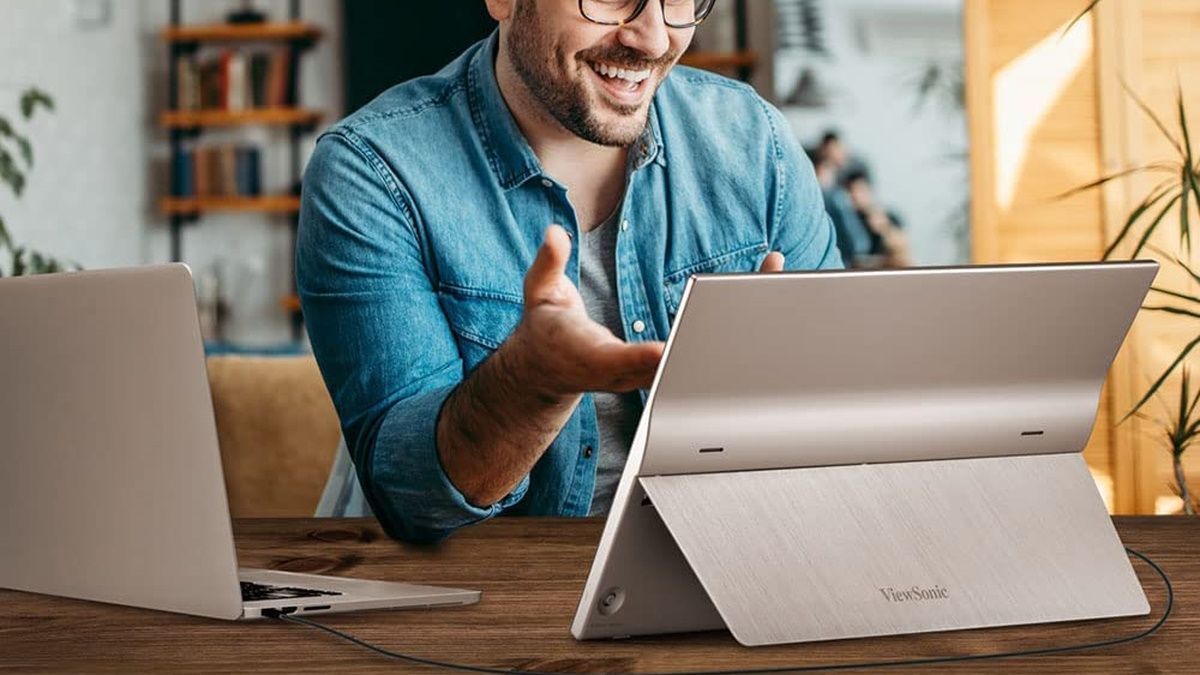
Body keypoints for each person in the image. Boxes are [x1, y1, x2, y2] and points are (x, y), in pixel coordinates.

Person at [297, 0, 842, 544]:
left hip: (720, 561)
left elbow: (843, 420)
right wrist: (535, 383)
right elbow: (410, 500)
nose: (653, 39)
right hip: (482, 596)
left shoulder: (756, 143)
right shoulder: (371, 172)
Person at [842, 169, 910, 268]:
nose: (855, 196)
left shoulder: (887, 217)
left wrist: (885, 228)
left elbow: (902, 247)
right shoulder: (846, 221)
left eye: (859, 190)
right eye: (850, 191)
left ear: (869, 190)